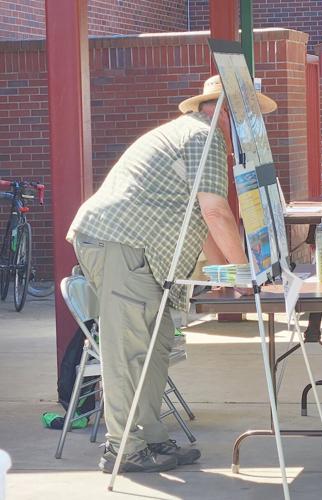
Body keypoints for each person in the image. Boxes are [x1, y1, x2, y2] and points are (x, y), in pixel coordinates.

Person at [66, 75, 277, 473]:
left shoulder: (193, 134)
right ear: (226, 110)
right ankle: (123, 449)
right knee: (129, 352)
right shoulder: (206, 136)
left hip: (133, 249)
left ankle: (152, 439)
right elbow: (216, 213)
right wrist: (248, 274)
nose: (255, 124)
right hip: (121, 244)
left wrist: (225, 273)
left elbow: (200, 219)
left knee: (156, 345)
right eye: (250, 114)